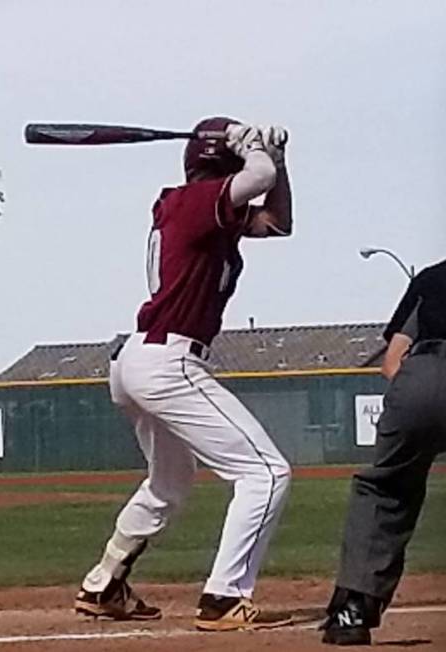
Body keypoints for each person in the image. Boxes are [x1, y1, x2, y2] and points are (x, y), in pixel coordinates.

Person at [74, 118, 295, 631]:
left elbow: (277, 221)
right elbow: (255, 179)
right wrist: (255, 150)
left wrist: (278, 162)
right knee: (265, 473)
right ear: (224, 163)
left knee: (169, 482)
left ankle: (103, 582)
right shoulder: (196, 201)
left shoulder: (206, 213)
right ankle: (222, 598)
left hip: (142, 359)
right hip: (166, 360)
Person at [321, 255, 446, 646]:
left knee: (386, 488)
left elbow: (391, 362)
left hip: (422, 375)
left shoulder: (433, 277)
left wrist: (422, 393)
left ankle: (352, 611)